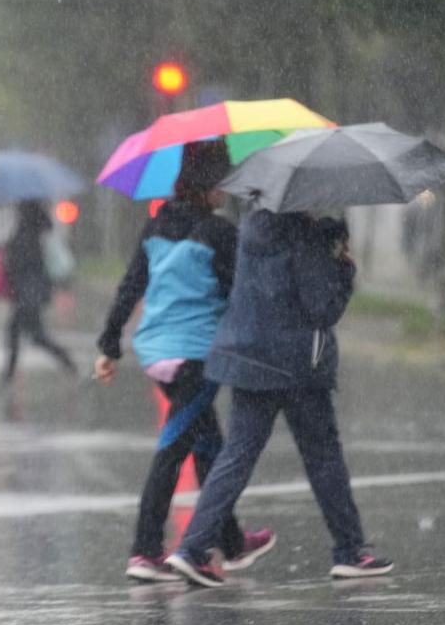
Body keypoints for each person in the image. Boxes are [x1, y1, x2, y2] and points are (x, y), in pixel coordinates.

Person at [166, 209, 393, 587]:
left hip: (248, 356)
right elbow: (322, 307)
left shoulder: (254, 226)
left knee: (237, 455)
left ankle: (192, 548)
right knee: (323, 455)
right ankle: (351, 550)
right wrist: (344, 269)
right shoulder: (310, 235)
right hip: (296, 364)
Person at [94, 141, 275, 582]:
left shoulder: (156, 226)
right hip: (196, 354)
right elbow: (240, 293)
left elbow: (131, 285)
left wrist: (110, 344)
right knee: (173, 449)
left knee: (207, 444)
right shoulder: (219, 232)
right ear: (209, 186)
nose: (226, 192)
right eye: (222, 183)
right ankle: (145, 550)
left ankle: (231, 542)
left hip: (155, 350)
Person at [0, 199, 76, 387]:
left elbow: (22, 264)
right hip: (29, 291)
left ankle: (68, 362)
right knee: (23, 334)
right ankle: (7, 379)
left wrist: (9, 256)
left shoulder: (27, 231)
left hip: (28, 292)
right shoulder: (34, 228)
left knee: (29, 335)